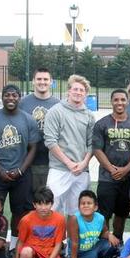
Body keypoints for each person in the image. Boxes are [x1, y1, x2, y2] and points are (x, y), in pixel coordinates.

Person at [0, 84, 39, 257]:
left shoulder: (28, 119)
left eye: (14, 95)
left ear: (19, 97)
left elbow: (33, 148)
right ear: (2, 97)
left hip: (21, 175)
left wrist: (20, 171)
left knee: (20, 213)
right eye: (7, 95)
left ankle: (14, 247)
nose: (11, 98)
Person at [93, 89, 130, 241]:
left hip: (128, 178)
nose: (119, 102)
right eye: (116, 100)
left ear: (127, 102)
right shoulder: (102, 124)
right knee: (104, 214)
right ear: (111, 102)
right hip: (107, 177)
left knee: (122, 213)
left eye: (123, 99)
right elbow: (96, 149)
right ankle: (105, 243)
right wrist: (111, 169)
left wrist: (126, 169)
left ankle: (118, 240)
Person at [44, 74, 96, 217]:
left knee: (77, 212)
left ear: (85, 94)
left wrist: (83, 164)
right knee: (53, 208)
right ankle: (54, 239)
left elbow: (92, 144)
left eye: (82, 90)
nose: (78, 92)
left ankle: (73, 240)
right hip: (59, 169)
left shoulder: (89, 116)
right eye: (75, 89)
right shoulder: (56, 111)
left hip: (81, 171)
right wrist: (68, 163)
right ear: (69, 91)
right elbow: (50, 141)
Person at [12, 187, 68, 258]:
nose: (43, 208)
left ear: (52, 204)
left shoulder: (60, 219)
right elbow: (20, 242)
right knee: (26, 253)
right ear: (34, 204)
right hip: (32, 250)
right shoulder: (26, 220)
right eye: (39, 204)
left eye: (46, 204)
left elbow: (59, 244)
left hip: (49, 252)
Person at [19, 68, 60, 192]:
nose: (42, 82)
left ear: (51, 81)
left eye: (45, 79)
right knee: (29, 198)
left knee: (49, 198)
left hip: (51, 160)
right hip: (28, 160)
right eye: (39, 79)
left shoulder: (58, 104)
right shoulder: (22, 103)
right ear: (33, 81)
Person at [67, 190, 120, 258]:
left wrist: (110, 235)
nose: (86, 205)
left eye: (89, 203)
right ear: (79, 207)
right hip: (79, 252)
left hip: (93, 247)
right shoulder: (74, 219)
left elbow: (103, 233)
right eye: (83, 203)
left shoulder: (100, 218)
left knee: (114, 244)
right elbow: (74, 243)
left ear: (95, 207)